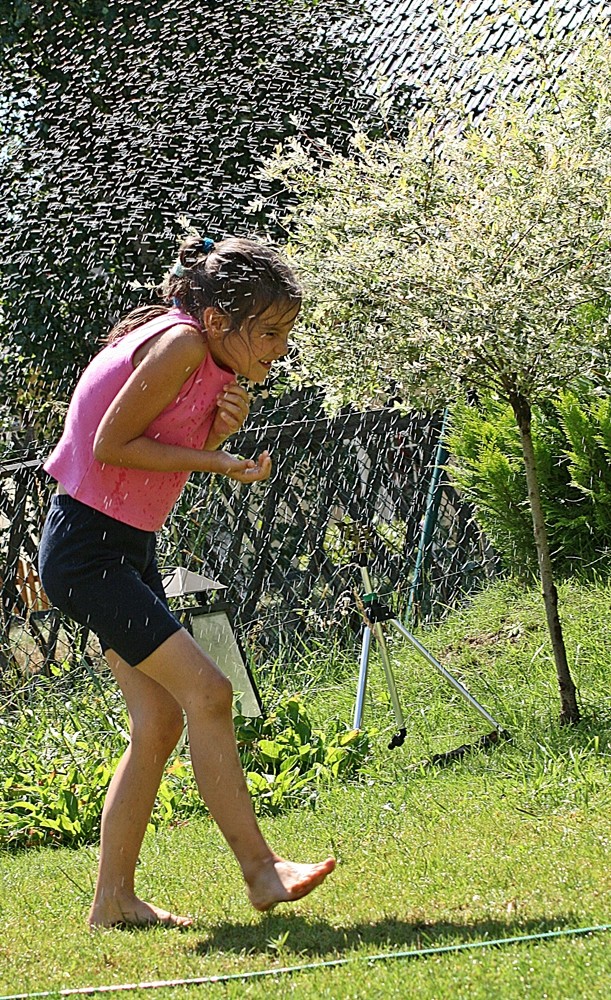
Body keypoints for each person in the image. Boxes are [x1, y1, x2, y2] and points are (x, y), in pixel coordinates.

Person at [38, 234, 335, 929]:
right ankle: (262, 871)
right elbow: (111, 446)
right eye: (267, 332)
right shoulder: (180, 345)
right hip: (89, 550)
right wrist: (217, 462)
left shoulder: (198, 354)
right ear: (218, 319)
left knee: (161, 718)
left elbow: (151, 451)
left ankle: (112, 901)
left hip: (118, 544)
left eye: (284, 333)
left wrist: (215, 435)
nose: (278, 349)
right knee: (209, 691)